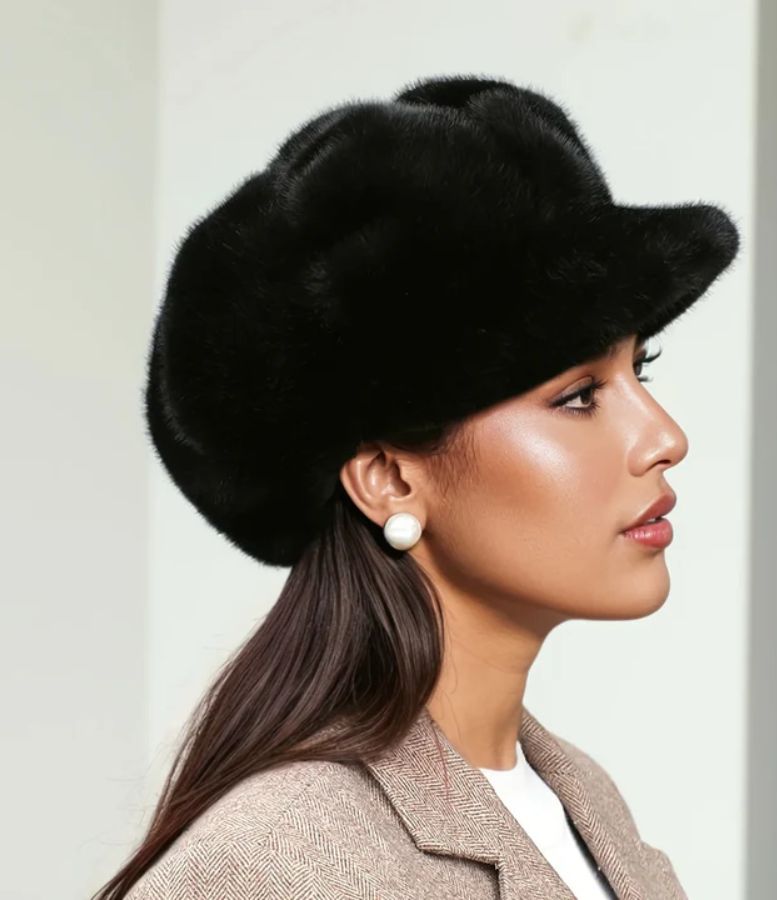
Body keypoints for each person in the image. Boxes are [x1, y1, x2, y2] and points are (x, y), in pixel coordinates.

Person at [93, 73, 740, 900]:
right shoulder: (282, 859)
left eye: (640, 369)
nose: (665, 438)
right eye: (579, 396)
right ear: (389, 478)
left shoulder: (586, 805)